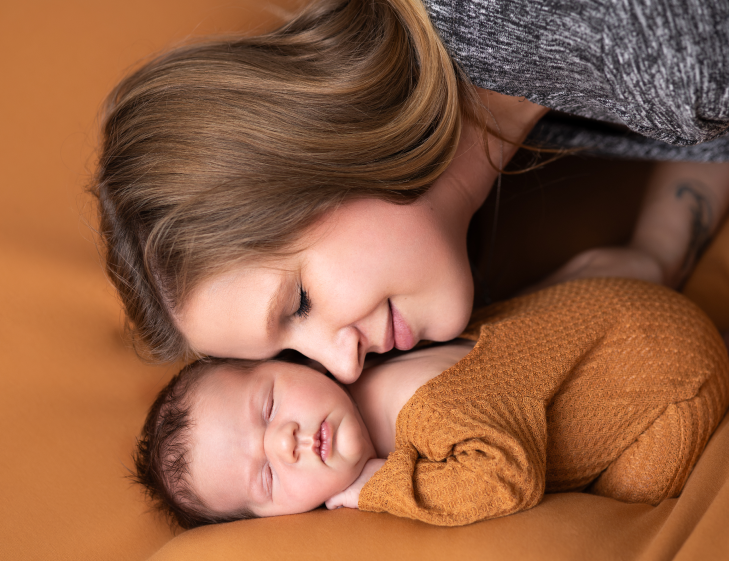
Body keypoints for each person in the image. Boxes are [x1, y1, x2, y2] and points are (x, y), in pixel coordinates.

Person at [93, 0, 729, 383]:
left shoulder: (594, 37)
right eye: (298, 356)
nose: (345, 368)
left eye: (301, 302)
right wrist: (653, 252)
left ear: (310, 156)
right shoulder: (509, 87)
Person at [133, 278, 729, 529]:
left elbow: (506, 479)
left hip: (672, 378)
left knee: (630, 504)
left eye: (266, 407)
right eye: (264, 477)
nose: (284, 442)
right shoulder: (374, 369)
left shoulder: (418, 404)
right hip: (629, 321)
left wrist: (377, 490)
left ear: (291, 363)